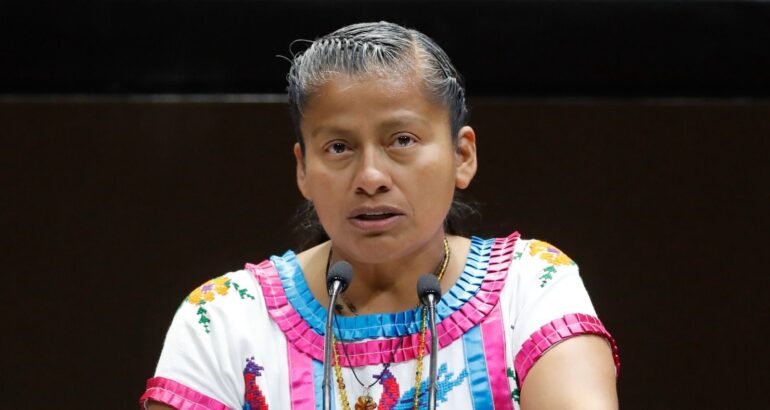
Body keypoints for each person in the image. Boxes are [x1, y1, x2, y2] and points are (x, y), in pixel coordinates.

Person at [140, 21, 619, 410]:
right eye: (339, 147)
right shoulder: (224, 320)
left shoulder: (530, 287)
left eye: (402, 140)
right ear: (303, 169)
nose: (370, 177)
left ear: (462, 155)